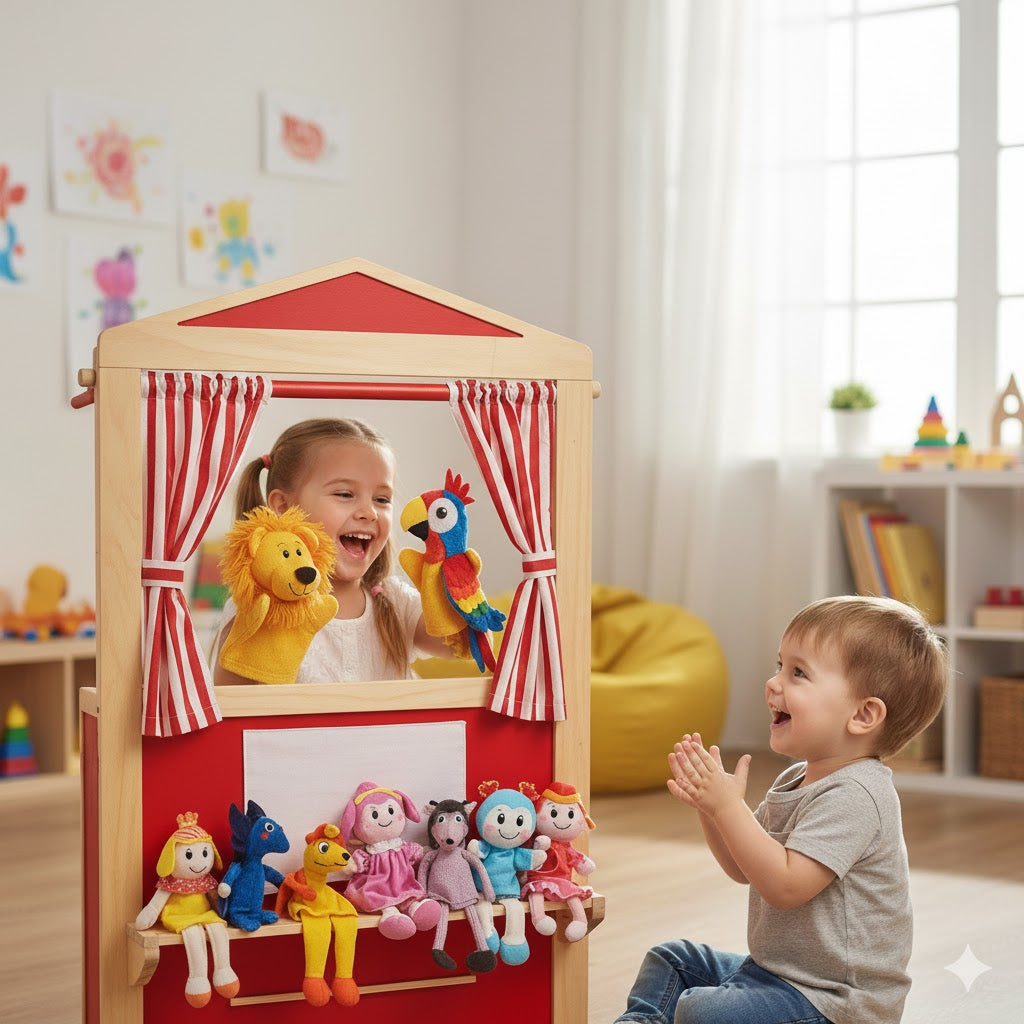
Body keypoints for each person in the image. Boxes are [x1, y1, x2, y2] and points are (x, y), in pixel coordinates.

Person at [615, 595, 947, 1024]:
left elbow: (785, 887)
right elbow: (743, 868)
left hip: (835, 1002)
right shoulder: (796, 778)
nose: (773, 683)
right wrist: (711, 808)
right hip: (775, 975)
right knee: (672, 959)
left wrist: (728, 806)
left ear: (863, 714)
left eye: (798, 673)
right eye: (779, 665)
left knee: (702, 1011)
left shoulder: (858, 795)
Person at [213, 417, 452, 684]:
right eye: (345, 494)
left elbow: (468, 643)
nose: (370, 512)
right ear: (283, 507)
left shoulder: (396, 602)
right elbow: (233, 705)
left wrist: (453, 571)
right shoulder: (259, 611)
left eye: (382, 499)